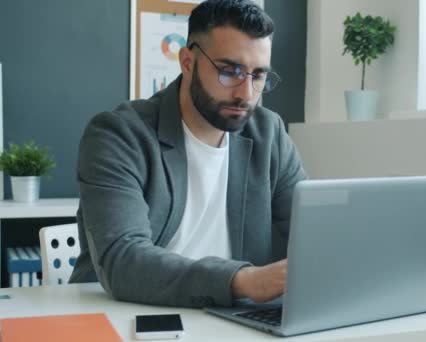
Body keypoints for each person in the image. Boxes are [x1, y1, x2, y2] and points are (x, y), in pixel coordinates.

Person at [69, 0, 307, 309]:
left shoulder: (269, 134)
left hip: (230, 317)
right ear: (187, 62)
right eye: (229, 71)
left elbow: (310, 232)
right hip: (127, 313)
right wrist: (243, 280)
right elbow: (123, 259)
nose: (246, 93)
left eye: (258, 75)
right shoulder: (119, 134)